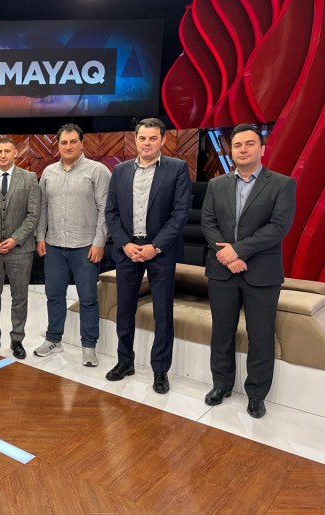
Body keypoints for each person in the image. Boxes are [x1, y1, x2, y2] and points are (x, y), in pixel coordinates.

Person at [201, 124, 296, 419]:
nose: (242, 149)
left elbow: (278, 227)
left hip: (262, 272)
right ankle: (221, 385)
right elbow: (208, 223)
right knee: (222, 332)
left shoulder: (282, 184)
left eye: (249, 144)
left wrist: (238, 251)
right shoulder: (216, 185)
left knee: (261, 335)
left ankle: (256, 395)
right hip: (222, 271)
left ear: (262, 149)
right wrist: (228, 257)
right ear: (231, 151)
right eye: (237, 145)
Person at [104, 117, 190, 394]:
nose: (147, 143)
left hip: (160, 252)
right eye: (142, 138)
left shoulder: (177, 169)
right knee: (125, 310)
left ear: (163, 140)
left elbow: (180, 214)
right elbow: (111, 212)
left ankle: (160, 370)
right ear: (136, 139)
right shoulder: (120, 171)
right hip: (127, 251)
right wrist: (124, 243)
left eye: (153, 138)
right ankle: (124, 362)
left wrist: (156, 246)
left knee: (162, 313)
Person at [34, 124, 111, 366]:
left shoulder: (97, 171)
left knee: (88, 298)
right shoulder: (48, 172)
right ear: (58, 145)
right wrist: (40, 236)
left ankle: (89, 346)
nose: (68, 146)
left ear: (82, 143)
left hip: (85, 246)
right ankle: (53, 339)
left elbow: (105, 209)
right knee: (54, 295)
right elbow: (42, 207)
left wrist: (99, 242)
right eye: (63, 142)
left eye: (73, 142)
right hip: (54, 245)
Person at [0, 137, 41, 360]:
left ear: (15, 153)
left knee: (19, 296)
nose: (3, 155)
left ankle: (17, 338)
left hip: (20, 250)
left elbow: (33, 214)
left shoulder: (29, 178)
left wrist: (15, 239)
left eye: (7, 151)